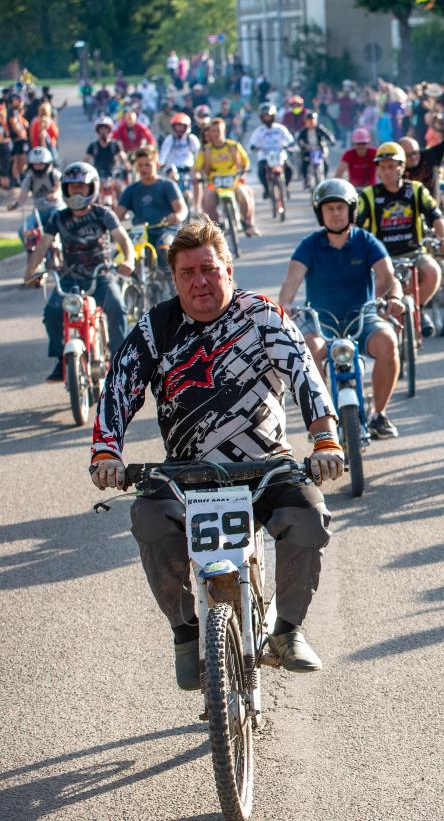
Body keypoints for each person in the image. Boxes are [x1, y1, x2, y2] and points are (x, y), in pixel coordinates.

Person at [89, 219, 344, 686]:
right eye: (187, 273)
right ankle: (186, 632)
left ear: (228, 269)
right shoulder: (156, 327)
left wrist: (325, 439)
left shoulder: (263, 317)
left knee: (310, 517)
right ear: (174, 278)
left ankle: (288, 629)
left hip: (266, 469)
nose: (199, 281)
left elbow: (305, 374)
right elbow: (119, 387)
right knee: (148, 518)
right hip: (186, 475)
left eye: (209, 269)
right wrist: (106, 451)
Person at [279, 179, 405, 441]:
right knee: (308, 350)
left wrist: (394, 297)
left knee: (389, 342)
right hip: (321, 320)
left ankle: (379, 415)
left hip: (362, 317)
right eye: (329, 209)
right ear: (320, 213)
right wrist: (285, 306)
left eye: (340, 208)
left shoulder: (366, 241)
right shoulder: (309, 245)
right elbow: (291, 282)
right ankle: (322, 417)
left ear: (351, 210)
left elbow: (389, 277)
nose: (335, 214)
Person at [23, 163, 133, 380]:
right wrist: (30, 271)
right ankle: (61, 359)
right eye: (72, 187)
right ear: (65, 189)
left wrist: (128, 260)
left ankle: (120, 360)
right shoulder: (58, 217)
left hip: (101, 276)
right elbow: (43, 244)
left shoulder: (103, 214)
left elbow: (123, 239)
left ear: (92, 187)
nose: (77, 191)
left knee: (118, 308)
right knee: (52, 312)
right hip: (69, 279)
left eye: (82, 187)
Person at [356, 142, 444, 337]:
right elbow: (355, 226)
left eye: (391, 166)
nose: (387, 172)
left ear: (401, 167)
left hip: (414, 251)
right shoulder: (369, 195)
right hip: (382, 258)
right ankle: (386, 333)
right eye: (383, 167)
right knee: (377, 293)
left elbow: (436, 217)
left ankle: (417, 308)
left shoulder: (416, 190)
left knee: (433, 272)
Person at [115, 145, 186, 258]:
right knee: (120, 256)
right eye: (140, 165)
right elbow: (116, 216)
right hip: (141, 233)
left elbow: (182, 210)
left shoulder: (168, 185)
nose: (143, 169)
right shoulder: (131, 190)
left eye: (147, 165)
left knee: (163, 248)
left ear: (157, 165)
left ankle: (167, 270)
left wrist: (177, 216)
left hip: (166, 231)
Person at [193, 118, 258, 237]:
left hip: (234, 181)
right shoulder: (206, 150)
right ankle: (217, 226)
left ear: (224, 131)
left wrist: (243, 172)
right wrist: (196, 176)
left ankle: (246, 223)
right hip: (214, 182)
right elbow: (197, 168)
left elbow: (245, 162)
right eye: (213, 131)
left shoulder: (234, 146)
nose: (216, 134)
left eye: (218, 130)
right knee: (207, 200)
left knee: (244, 195)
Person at [248, 103, 296, 197]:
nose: (267, 118)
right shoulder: (259, 130)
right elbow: (252, 142)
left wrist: (290, 145)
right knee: (261, 171)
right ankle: (266, 189)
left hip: (279, 155)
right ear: (261, 117)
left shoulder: (280, 128)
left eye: (269, 116)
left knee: (289, 169)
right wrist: (253, 147)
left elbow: (290, 139)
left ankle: (285, 187)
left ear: (273, 116)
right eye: (265, 116)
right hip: (265, 155)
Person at [157, 112, 202, 213]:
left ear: (187, 127)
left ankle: (197, 206)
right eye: (177, 126)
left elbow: (199, 154)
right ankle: (171, 204)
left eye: (182, 126)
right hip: (172, 166)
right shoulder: (169, 139)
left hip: (188, 166)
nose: (179, 129)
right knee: (172, 179)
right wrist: (160, 163)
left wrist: (200, 166)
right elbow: (163, 154)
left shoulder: (191, 139)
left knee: (197, 178)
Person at [8, 146, 61, 227]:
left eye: (41, 164)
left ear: (47, 164)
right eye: (35, 165)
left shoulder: (54, 175)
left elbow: (59, 188)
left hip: (55, 209)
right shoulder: (29, 179)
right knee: (23, 230)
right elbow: (22, 196)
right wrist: (15, 205)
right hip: (38, 211)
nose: (38, 167)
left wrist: (55, 195)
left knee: (54, 225)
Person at [296, 110, 337, 182]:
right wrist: (302, 145)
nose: (311, 122)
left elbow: (328, 135)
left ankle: (324, 179)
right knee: (304, 163)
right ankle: (306, 179)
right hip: (308, 150)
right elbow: (299, 140)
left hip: (319, 149)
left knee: (325, 164)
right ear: (306, 122)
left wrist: (332, 141)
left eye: (313, 120)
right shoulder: (303, 131)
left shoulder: (320, 129)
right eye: (309, 120)